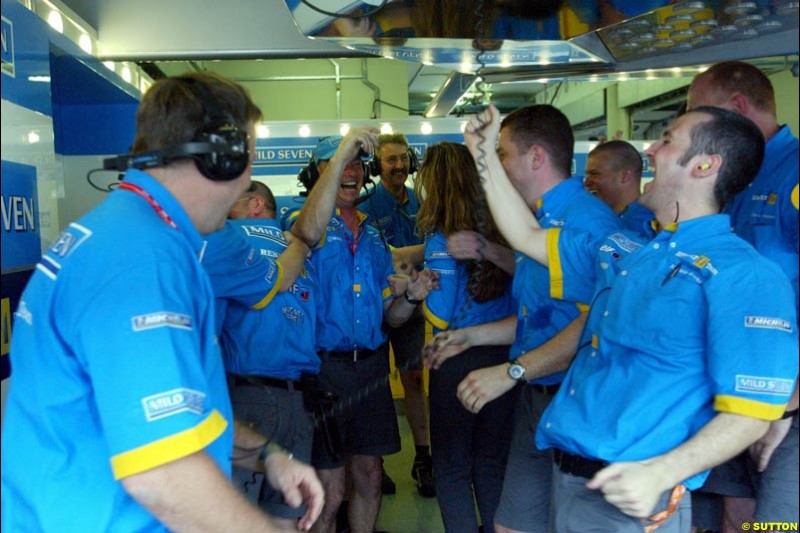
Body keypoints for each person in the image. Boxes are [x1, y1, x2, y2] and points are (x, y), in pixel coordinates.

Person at [0, 72, 323, 532]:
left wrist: (268, 457)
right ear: (220, 159)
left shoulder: (134, 235)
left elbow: (169, 417)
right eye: (247, 159)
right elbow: (163, 477)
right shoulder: (142, 260)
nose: (248, 179)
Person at [464, 102, 798, 533]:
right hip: (570, 480)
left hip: (633, 497)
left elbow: (752, 412)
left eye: (667, 140)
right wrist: (484, 153)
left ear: (704, 165)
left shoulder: (744, 276)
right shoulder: (630, 253)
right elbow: (524, 235)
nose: (650, 150)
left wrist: (660, 474)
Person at [425, 104, 622, 533]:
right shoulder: (544, 220)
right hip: (537, 397)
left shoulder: (586, 225)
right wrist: (469, 337)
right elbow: (545, 317)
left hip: (575, 399)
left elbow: (594, 324)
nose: (500, 165)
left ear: (535, 157)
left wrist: (512, 371)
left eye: (504, 154)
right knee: (511, 524)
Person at [285, 135, 435, 533]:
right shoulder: (301, 227)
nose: (351, 172)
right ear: (319, 172)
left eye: (357, 164)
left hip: (369, 372)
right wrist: (340, 157)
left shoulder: (373, 237)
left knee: (369, 477)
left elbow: (393, 317)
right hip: (323, 373)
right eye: (340, 164)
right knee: (330, 493)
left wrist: (414, 297)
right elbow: (305, 234)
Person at [686, 60, 800, 531]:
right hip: (730, 390)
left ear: (736, 107)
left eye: (699, 114)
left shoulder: (792, 174)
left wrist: (789, 400)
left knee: (773, 526)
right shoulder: (730, 179)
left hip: (786, 399)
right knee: (733, 519)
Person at [413, 141, 515, 533]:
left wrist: (417, 289)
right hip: (503, 360)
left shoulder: (444, 239)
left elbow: (440, 315)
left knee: (452, 470)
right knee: (490, 467)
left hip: (456, 360)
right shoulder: (502, 232)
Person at [358, 132, 435, 498]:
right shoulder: (366, 204)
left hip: (413, 304)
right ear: (378, 166)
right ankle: (377, 462)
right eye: (391, 160)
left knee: (415, 381)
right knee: (374, 383)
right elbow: (393, 258)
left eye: (404, 158)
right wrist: (427, 249)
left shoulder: (422, 203)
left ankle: (424, 458)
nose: (399, 165)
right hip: (374, 307)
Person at [583, 140, 654, 235]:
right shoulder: (594, 217)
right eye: (587, 175)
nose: (587, 182)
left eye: (595, 174)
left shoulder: (650, 224)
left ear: (625, 176)